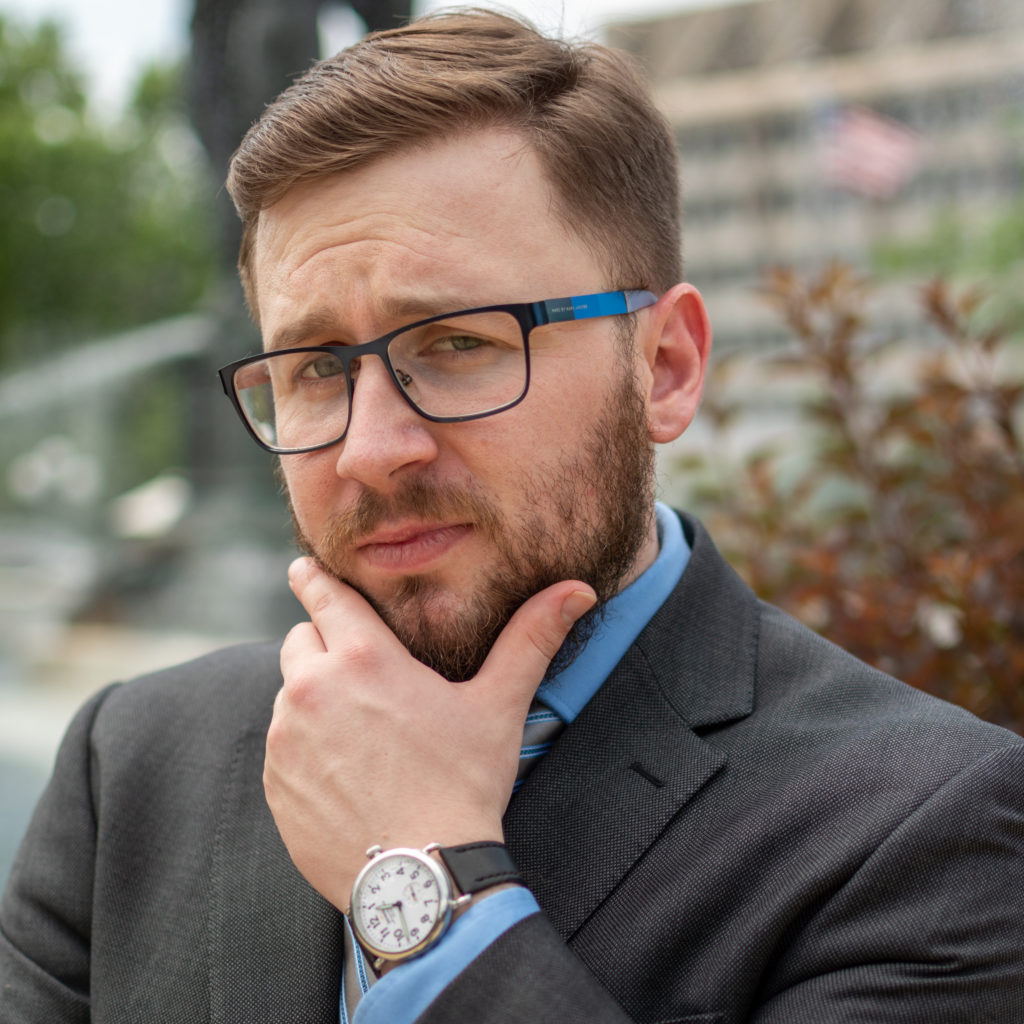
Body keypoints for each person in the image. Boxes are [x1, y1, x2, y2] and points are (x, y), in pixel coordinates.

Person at [2, 10, 1023, 1023]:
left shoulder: (929, 835)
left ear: (664, 367)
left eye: (457, 344)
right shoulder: (130, 761)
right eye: (315, 368)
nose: (370, 448)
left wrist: (424, 883)